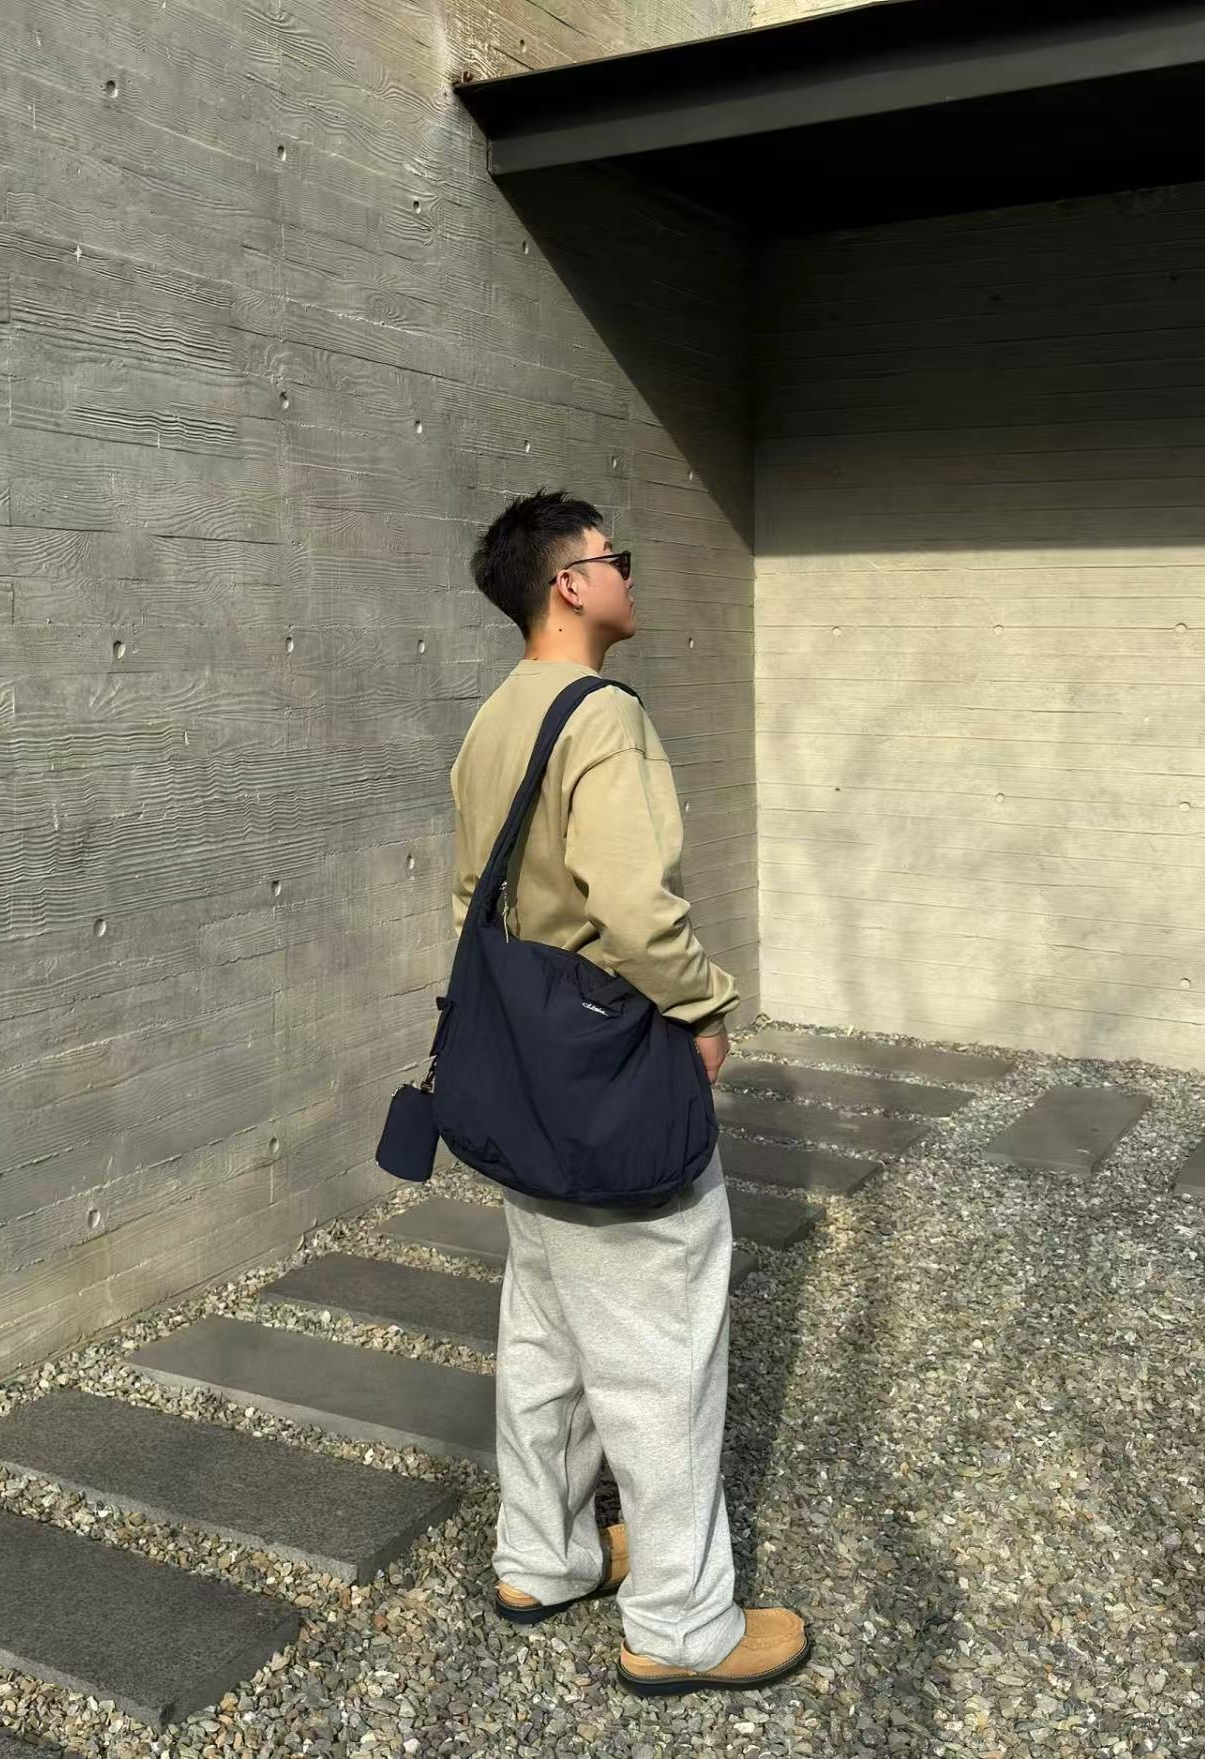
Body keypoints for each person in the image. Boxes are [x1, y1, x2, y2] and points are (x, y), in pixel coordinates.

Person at [448, 489, 811, 1697]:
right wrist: (705, 1009)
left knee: (546, 1330)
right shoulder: (603, 716)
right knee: (661, 1349)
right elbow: (636, 910)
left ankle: (541, 1557)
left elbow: (469, 900)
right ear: (570, 584)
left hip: (527, 1075)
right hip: (611, 1065)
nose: (630, 576)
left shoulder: (495, 717)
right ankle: (683, 1624)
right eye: (617, 559)